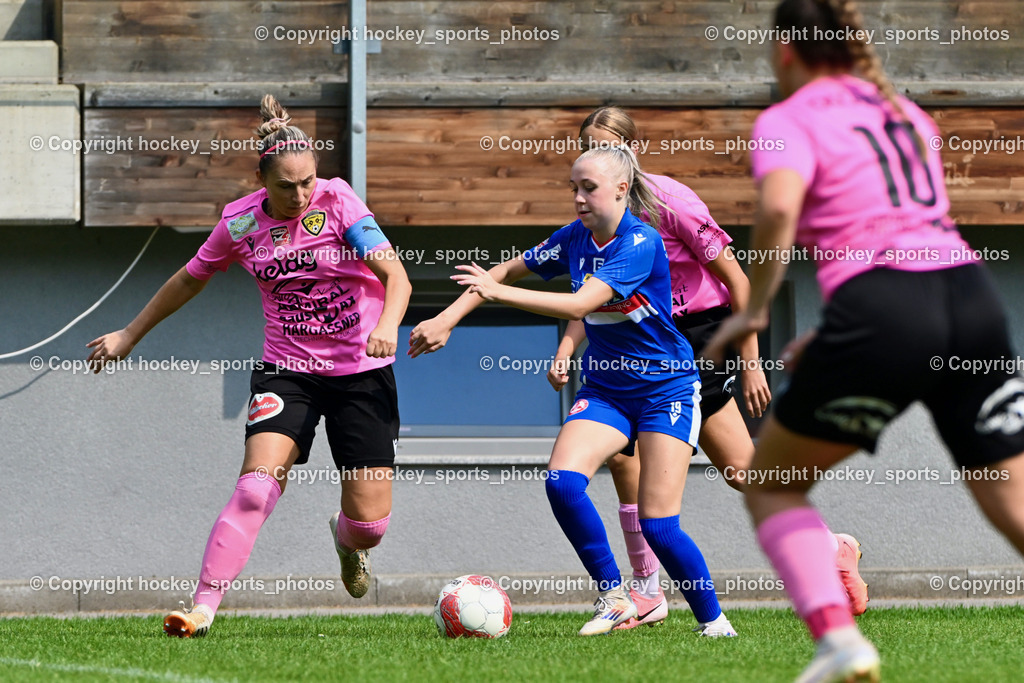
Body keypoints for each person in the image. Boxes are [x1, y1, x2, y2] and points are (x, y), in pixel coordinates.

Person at [703, 1, 1024, 680]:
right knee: (1015, 507)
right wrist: (833, 330)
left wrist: (754, 311)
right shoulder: (908, 114)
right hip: (972, 300)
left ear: (786, 49)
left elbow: (782, 209)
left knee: (773, 485)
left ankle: (839, 640)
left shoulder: (785, 120)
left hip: (886, 310)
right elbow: (912, 239)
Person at [87, 95, 412, 638]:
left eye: (307, 181)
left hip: (360, 371)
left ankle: (346, 540)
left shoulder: (340, 203)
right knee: (255, 488)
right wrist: (129, 334)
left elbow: (395, 277)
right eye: (287, 186)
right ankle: (202, 610)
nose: (301, 194)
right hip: (288, 371)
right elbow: (190, 278)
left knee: (370, 525)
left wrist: (386, 327)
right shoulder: (239, 224)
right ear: (262, 179)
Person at [547, 107, 866, 630]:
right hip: (634, 345)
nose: (597, 157)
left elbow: (739, 281)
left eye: (607, 145)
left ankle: (831, 546)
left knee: (743, 472)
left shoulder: (671, 202)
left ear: (631, 153)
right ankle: (645, 592)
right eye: (588, 145)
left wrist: (751, 364)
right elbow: (598, 295)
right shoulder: (595, 213)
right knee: (621, 462)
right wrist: (567, 347)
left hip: (695, 342)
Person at [411, 145, 737, 637]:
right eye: (574, 188)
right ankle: (615, 597)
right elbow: (502, 272)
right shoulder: (574, 237)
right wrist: (446, 318)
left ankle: (714, 622)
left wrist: (499, 294)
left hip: (665, 389)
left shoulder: (641, 242)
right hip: (607, 389)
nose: (579, 198)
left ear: (622, 190)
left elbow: (580, 303)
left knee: (659, 526)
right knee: (562, 482)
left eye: (589, 188)